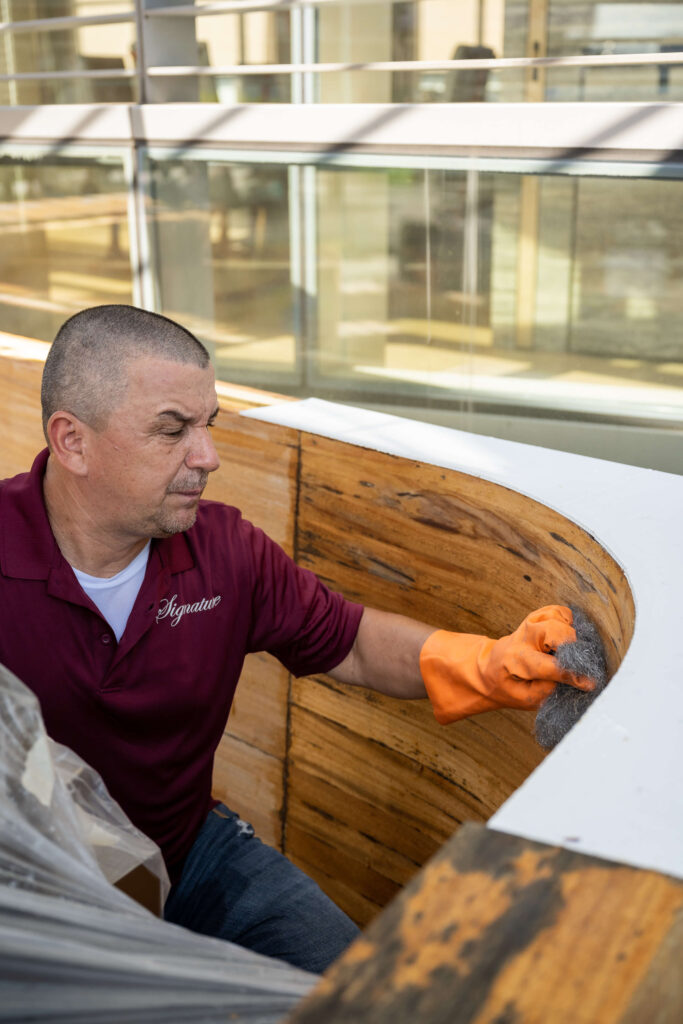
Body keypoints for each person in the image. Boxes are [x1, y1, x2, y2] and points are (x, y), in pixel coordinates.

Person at [0, 305, 593, 974]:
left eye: (207, 426)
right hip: (34, 897)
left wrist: (487, 663)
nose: (208, 457)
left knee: (356, 991)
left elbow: (355, 642)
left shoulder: (225, 550)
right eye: (172, 430)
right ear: (72, 440)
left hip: (189, 852)